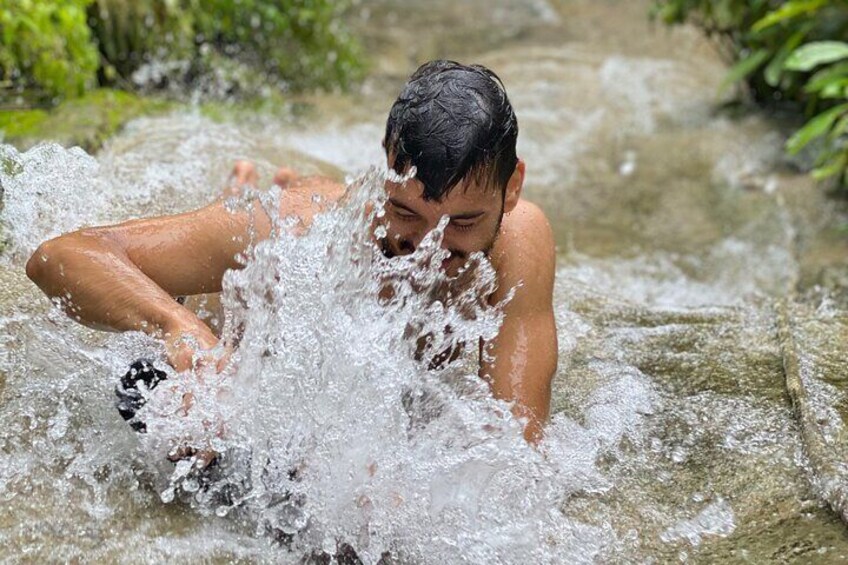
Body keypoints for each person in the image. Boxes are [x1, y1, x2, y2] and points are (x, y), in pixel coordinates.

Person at [25, 60, 558, 444]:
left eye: (463, 222)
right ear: (386, 169)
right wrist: (176, 324)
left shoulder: (520, 239)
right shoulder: (300, 232)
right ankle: (227, 220)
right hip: (252, 304)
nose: (431, 247)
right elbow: (60, 255)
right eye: (405, 214)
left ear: (512, 188)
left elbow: (515, 449)